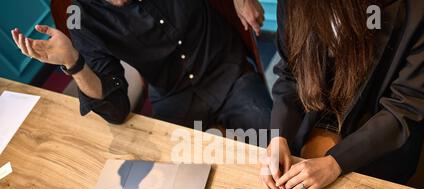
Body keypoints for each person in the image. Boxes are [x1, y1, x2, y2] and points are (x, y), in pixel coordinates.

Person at [262, 0, 424, 189]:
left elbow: (407, 104)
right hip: (321, 104)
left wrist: (336, 162)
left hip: (384, 120)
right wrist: (279, 136)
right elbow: (291, 73)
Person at [11, 0, 272, 134]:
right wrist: (74, 63)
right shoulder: (78, 16)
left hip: (227, 69)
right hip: (173, 95)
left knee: (280, 146)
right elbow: (116, 110)